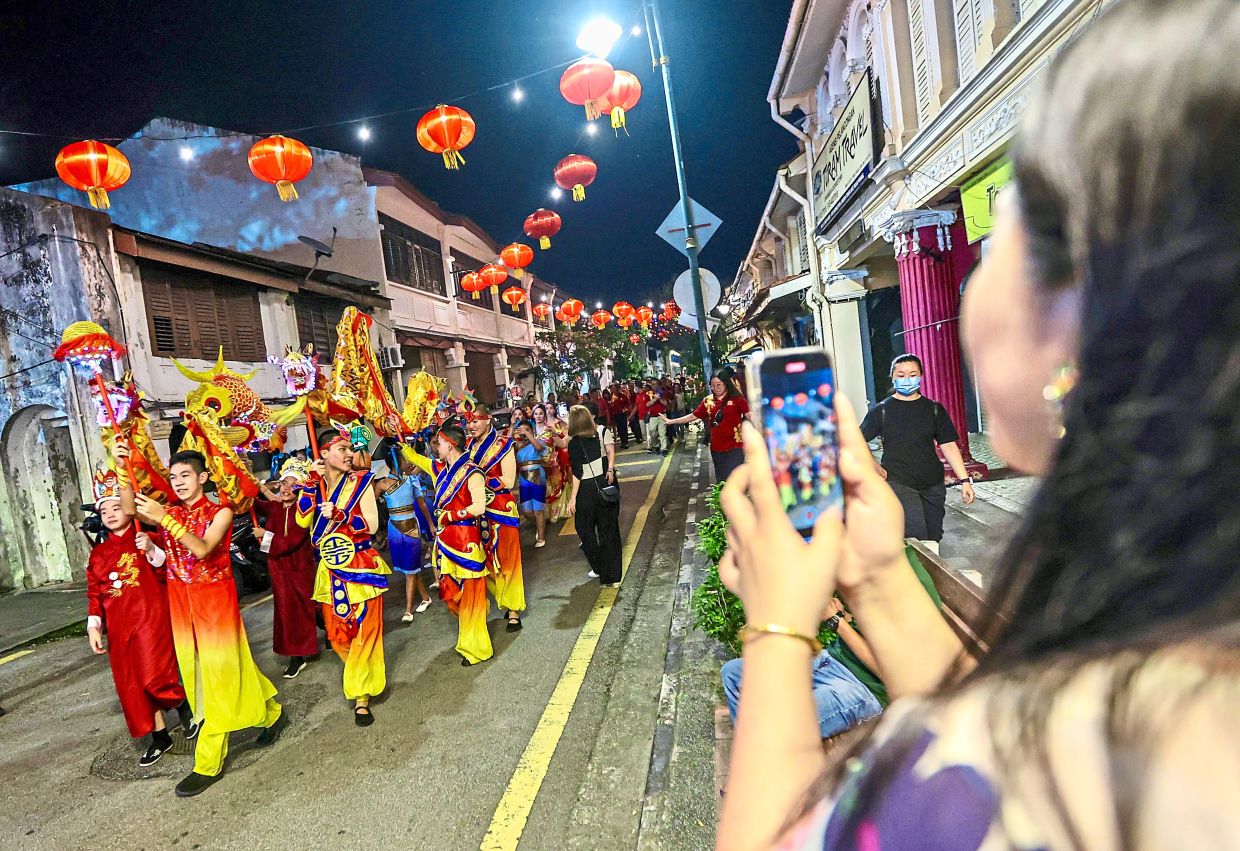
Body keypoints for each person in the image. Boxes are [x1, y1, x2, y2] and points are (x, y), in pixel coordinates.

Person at [716, 4, 1240, 846]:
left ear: (1082, 313)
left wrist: (777, 628)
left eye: (1002, 240)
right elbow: (982, 744)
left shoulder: (1130, 751)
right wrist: (881, 580)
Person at [129, 449, 284, 798]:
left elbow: (201, 548)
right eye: (173, 478)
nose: (179, 483)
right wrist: (121, 459)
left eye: (185, 476)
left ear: (202, 478)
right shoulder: (170, 512)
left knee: (214, 680)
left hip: (214, 602)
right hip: (181, 603)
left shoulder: (222, 512)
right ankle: (272, 713)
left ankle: (208, 761)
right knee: (221, 670)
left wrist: (164, 520)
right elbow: (128, 510)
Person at [85, 464, 194, 768]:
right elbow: (95, 593)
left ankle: (183, 706)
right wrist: (94, 626)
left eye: (116, 506)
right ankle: (160, 737)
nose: (109, 513)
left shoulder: (146, 538)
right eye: (104, 509)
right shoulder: (98, 554)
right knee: (132, 686)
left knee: (154, 676)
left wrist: (150, 550)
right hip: (120, 629)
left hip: (150, 619)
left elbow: (166, 572)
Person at [297, 428, 389, 726]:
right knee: (337, 636)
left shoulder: (362, 481)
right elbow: (301, 520)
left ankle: (362, 695)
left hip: (361, 564)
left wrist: (341, 515)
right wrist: (310, 484)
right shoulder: (316, 486)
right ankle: (361, 674)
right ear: (323, 454)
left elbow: (373, 525)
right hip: (330, 570)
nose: (350, 454)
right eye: (342, 449)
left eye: (351, 449)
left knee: (366, 631)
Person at [860, 354, 976, 554]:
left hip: (932, 482)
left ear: (921, 376)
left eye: (913, 374)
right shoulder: (882, 411)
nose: (907, 379)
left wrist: (965, 480)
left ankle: (931, 578)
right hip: (899, 480)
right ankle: (920, 582)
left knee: (934, 535)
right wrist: (875, 466)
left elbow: (948, 445)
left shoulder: (934, 409)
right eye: (901, 375)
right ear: (893, 377)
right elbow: (856, 440)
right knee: (916, 535)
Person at [403, 424, 492, 666]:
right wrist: (399, 438)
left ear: (450, 445)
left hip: (466, 542)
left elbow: (479, 506)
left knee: (471, 597)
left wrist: (451, 516)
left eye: (438, 444)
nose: (435, 449)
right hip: (446, 543)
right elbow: (416, 459)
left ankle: (477, 648)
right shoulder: (441, 470)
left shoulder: (471, 472)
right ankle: (471, 635)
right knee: (453, 597)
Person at [254, 458, 320, 678]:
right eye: (284, 483)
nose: (286, 488)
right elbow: (253, 504)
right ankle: (296, 657)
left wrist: (266, 536)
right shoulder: (275, 507)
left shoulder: (304, 511)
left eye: (293, 484)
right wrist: (244, 485)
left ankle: (326, 633)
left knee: (310, 608)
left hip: (299, 569)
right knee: (289, 615)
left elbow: (289, 541)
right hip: (279, 572)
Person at [466, 405, 526, 632]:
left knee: (508, 559)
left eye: (475, 421)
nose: (471, 426)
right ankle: (503, 597)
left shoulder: (504, 445)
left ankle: (513, 610)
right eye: (469, 422)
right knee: (487, 559)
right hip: (479, 512)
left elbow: (509, 481)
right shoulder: (469, 447)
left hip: (501, 509)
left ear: (488, 420)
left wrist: (479, 482)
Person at [373, 443, 433, 623]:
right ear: (398, 462)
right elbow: (369, 504)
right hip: (394, 530)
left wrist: (430, 524)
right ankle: (425, 598)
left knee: (409, 569)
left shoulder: (412, 480)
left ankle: (408, 610)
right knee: (409, 567)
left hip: (412, 527)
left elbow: (421, 505)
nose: (409, 462)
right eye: (405, 459)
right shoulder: (382, 484)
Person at [567, 405, 622, 587]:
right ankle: (613, 577)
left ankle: (600, 567)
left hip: (586, 490)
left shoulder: (574, 443)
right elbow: (608, 454)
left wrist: (573, 498)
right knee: (609, 532)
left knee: (584, 530)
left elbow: (577, 473)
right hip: (604, 485)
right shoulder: (597, 436)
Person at [663, 372, 750, 481]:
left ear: (726, 384)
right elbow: (693, 416)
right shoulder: (707, 401)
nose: (715, 388)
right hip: (716, 447)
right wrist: (671, 421)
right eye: (712, 385)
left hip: (735, 446)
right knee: (721, 480)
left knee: (735, 479)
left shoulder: (737, 399)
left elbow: (750, 415)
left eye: (719, 384)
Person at [513, 419, 550, 547]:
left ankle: (541, 537)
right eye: (522, 430)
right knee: (526, 510)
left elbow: (539, 448)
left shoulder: (537, 441)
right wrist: (513, 428)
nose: (524, 432)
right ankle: (540, 525)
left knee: (538, 509)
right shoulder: (517, 445)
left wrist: (528, 434)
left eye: (527, 429)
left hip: (538, 476)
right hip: (523, 478)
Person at [538, 403, 573, 523]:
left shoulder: (560, 423)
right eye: (546, 408)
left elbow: (566, 438)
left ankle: (561, 509)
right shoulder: (541, 426)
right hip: (545, 460)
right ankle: (551, 511)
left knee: (559, 482)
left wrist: (555, 434)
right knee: (548, 484)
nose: (549, 410)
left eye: (551, 408)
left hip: (558, 457)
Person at [643, 382, 669, 454]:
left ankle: (664, 448)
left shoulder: (663, 392)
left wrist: (660, 398)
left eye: (656, 384)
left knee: (662, 432)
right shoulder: (648, 393)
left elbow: (666, 403)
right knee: (652, 432)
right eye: (653, 384)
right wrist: (654, 399)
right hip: (653, 416)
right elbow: (647, 404)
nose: (654, 386)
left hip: (662, 415)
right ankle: (657, 444)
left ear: (659, 385)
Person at [609, 385, 631, 449]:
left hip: (622, 415)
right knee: (619, 429)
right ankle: (622, 442)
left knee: (624, 428)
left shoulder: (623, 396)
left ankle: (626, 442)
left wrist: (625, 410)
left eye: (614, 389)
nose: (613, 390)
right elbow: (610, 406)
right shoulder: (611, 397)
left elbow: (627, 405)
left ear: (617, 389)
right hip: (615, 415)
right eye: (612, 389)